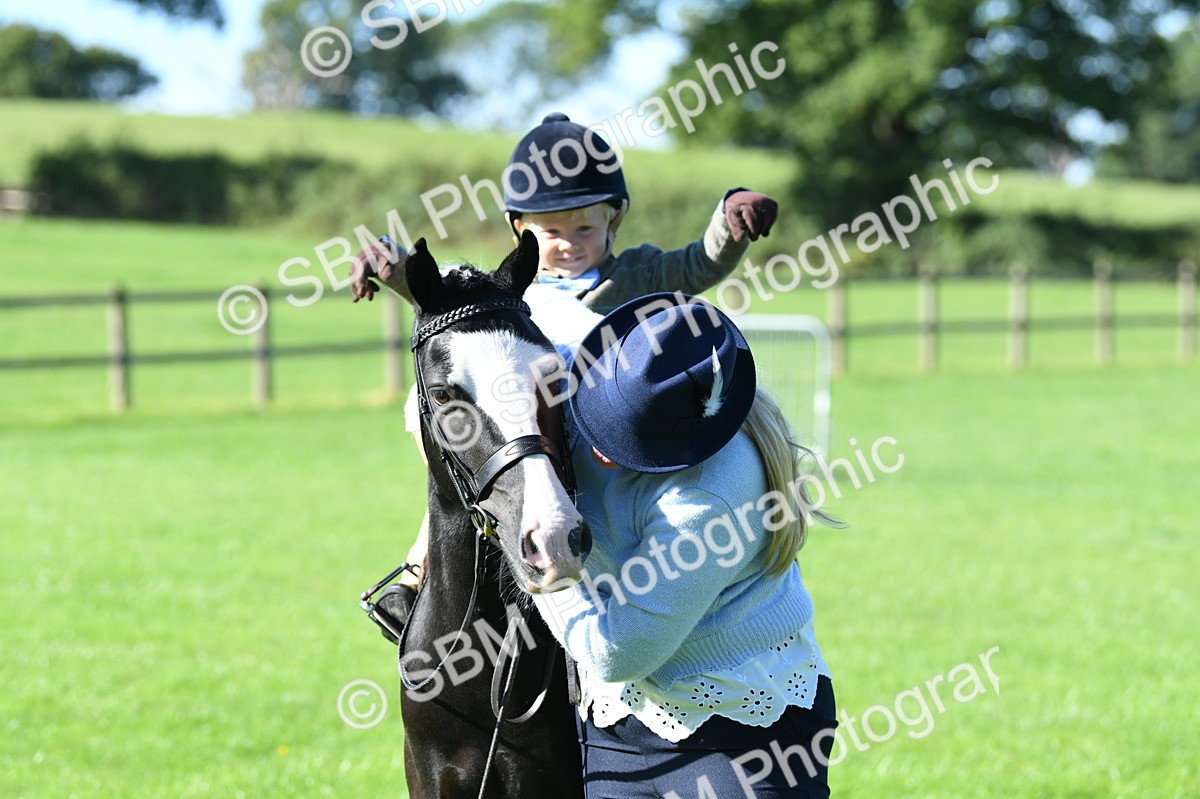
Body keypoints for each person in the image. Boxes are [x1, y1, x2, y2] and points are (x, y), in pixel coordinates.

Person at [351, 112, 781, 621]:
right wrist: (390, 261)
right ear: (520, 229)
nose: (570, 242)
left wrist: (727, 223)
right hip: (532, 438)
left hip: (606, 441)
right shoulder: (511, 287)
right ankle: (418, 571)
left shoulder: (637, 272)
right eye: (551, 230)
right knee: (463, 459)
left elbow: (697, 265)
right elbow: (445, 296)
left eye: (585, 227)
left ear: (613, 221)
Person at [531, 291, 838, 797]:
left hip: (743, 728)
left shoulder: (714, 490)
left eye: (631, 443)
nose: (602, 448)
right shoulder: (588, 365)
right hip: (618, 720)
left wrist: (539, 563)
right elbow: (516, 315)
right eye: (602, 416)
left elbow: (616, 652)